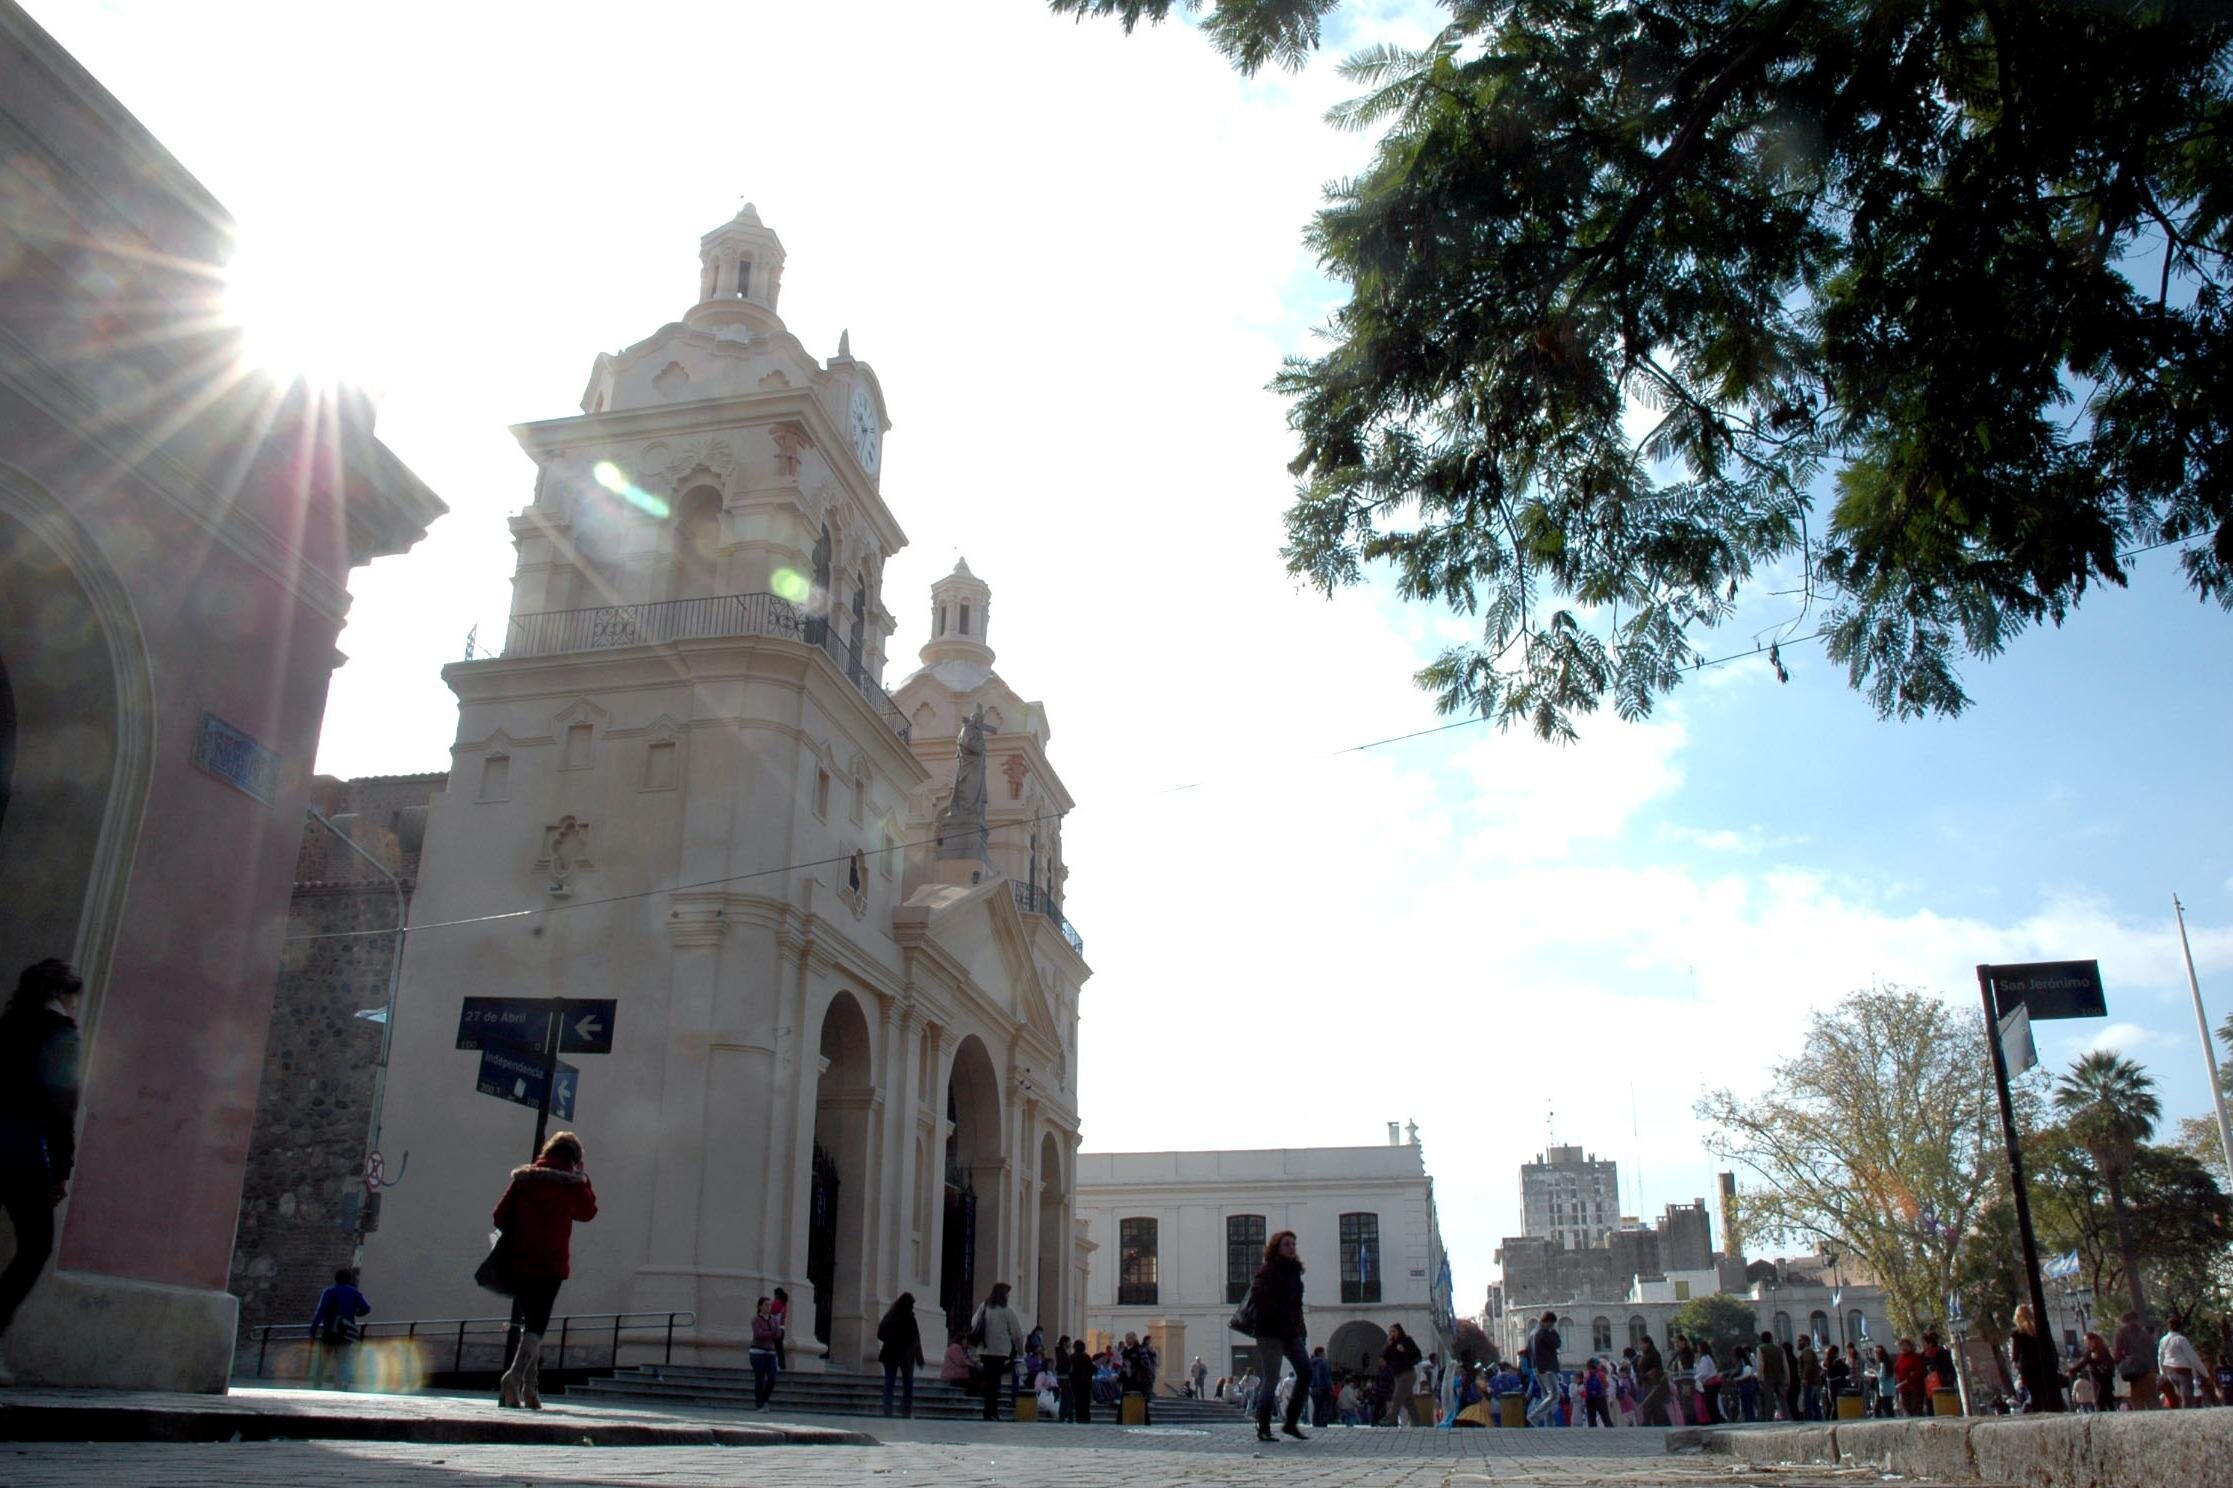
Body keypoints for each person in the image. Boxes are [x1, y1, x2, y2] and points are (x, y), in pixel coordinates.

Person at [0, 960, 82, 1349]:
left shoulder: (6, 1026)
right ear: (61, 993)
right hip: (22, 1154)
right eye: (73, 997)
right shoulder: (59, 1033)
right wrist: (62, 1167)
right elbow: (61, 1106)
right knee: (36, 1247)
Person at [491, 1130, 597, 1410]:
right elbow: (587, 1212)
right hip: (551, 1261)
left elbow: (499, 1216)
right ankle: (513, 1378)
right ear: (574, 1158)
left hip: (520, 1259)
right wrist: (583, 1179)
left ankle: (531, 1390)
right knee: (537, 1325)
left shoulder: (524, 1179)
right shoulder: (571, 1184)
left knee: (530, 1322)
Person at [1243, 1227, 1310, 1442]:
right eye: (1287, 1244)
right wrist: (1279, 1313)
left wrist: (1299, 1327)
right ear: (1277, 1248)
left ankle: (1290, 1422)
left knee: (1306, 1372)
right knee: (1271, 1378)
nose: (1291, 1248)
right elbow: (1258, 1295)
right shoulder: (1268, 1270)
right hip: (1270, 1332)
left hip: (1290, 1331)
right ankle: (1263, 1426)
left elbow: (1297, 1305)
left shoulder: (1294, 1271)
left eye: (1293, 1244)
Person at [308, 1266, 371, 1390]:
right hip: (346, 1331)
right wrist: (355, 1313)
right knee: (343, 1360)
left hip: (330, 1330)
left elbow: (321, 1311)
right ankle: (340, 1386)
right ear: (349, 1279)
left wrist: (313, 1328)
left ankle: (317, 1385)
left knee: (323, 1360)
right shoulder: (354, 1293)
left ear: (336, 1278)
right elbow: (366, 1308)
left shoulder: (330, 1291)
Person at [972, 1282, 1026, 1420]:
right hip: (1000, 1351)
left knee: (988, 1379)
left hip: (985, 1349)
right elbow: (1017, 1332)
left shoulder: (984, 1306)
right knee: (996, 1381)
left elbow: (974, 1322)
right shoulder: (1007, 1311)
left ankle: (987, 1410)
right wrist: (1020, 1349)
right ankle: (993, 1411)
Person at [2008, 1304, 2064, 1413]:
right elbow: (2049, 1346)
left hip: (2027, 1366)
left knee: (2034, 1392)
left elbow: (2016, 1353)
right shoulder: (2040, 1329)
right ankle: (2047, 1410)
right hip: (2042, 1364)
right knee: (2043, 1390)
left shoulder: (2017, 1333)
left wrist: (2015, 1363)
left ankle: (2038, 1411)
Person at [875, 1292, 924, 1418]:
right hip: (905, 1356)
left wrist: (891, 1341)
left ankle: (888, 1411)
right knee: (907, 1385)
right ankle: (906, 1411)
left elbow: (880, 1333)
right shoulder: (910, 1318)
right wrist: (919, 1358)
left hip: (890, 1353)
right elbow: (916, 1340)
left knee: (889, 1383)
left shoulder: (890, 1316)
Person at [1381, 1321, 1426, 1425]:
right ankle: (1417, 1423)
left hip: (1407, 1374)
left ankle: (1390, 1419)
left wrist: (1404, 1351)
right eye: (1390, 1332)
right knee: (1409, 1402)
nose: (1392, 1334)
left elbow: (1417, 1355)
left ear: (1399, 1331)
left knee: (1397, 1397)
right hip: (1397, 1376)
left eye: (1394, 1331)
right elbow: (1384, 1358)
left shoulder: (1407, 1341)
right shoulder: (1391, 1344)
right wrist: (1387, 1345)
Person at [2157, 1314, 2207, 1407]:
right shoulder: (2181, 1340)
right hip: (2183, 1373)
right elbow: (2193, 1357)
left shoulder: (2163, 1340)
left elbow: (2160, 1357)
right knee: (2187, 1399)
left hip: (2169, 1372)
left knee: (2174, 1399)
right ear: (2179, 1327)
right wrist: (2205, 1373)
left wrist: (2162, 1373)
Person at [2112, 1310, 2157, 1410]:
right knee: (2153, 1403)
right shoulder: (2145, 1333)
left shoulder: (2121, 1333)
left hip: (2132, 1374)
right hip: (2148, 1372)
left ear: (2123, 1321)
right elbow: (2154, 1351)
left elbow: (2117, 1354)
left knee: (2138, 1405)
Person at [749, 1296, 782, 1408]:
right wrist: (772, 1332)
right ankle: (760, 1404)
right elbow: (759, 1334)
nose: (768, 1307)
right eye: (766, 1305)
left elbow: (778, 1334)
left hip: (770, 1353)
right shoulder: (756, 1320)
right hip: (757, 1353)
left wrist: (770, 1333)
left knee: (772, 1377)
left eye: (769, 1305)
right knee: (760, 1378)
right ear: (760, 1306)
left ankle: (765, 1399)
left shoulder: (774, 1320)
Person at [1636, 1336, 1671, 1426]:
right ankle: (1648, 1424)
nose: (1641, 1346)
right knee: (1651, 1406)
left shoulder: (1654, 1354)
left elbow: (1655, 1369)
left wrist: (1645, 1375)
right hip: (1647, 1383)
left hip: (1654, 1384)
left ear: (1648, 1343)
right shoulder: (1644, 1355)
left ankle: (1660, 1424)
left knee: (1656, 1406)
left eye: (1642, 1343)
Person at [1755, 1331, 1789, 1422]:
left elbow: (1760, 1364)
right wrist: (1787, 1379)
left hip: (1768, 1377)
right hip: (1780, 1376)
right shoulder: (1780, 1349)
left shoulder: (1760, 1348)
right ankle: (1787, 1417)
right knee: (1782, 1399)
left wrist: (1759, 1378)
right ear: (1771, 1338)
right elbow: (1785, 1365)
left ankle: (1769, 1419)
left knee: (1769, 1399)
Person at [1893, 1337, 1927, 1416]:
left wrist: (1909, 1378)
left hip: (1915, 1388)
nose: (1904, 1347)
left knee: (1916, 1410)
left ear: (1910, 1346)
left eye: (1906, 1345)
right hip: (1903, 1389)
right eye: (1902, 1346)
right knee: (1908, 1410)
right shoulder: (1900, 1357)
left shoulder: (1915, 1357)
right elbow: (1896, 1369)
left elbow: (1919, 1371)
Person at [1068, 1337, 1096, 1423]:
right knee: (1085, 1404)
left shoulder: (1071, 1357)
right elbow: (1092, 1370)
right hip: (1086, 1384)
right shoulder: (1087, 1357)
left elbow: (1070, 1371)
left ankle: (1079, 1419)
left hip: (1075, 1384)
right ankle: (1086, 1419)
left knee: (1077, 1403)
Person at [1308, 1344, 1336, 1427]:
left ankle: (1315, 1423)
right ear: (1320, 1353)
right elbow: (1326, 1376)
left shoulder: (1310, 1363)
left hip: (1313, 1388)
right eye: (1324, 1353)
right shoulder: (1324, 1362)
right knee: (1325, 1406)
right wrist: (1331, 1386)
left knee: (1317, 1407)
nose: (1325, 1354)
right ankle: (1323, 1423)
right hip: (1324, 1388)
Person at [1871, 1344, 1898, 1419]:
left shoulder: (1883, 1364)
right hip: (1890, 1390)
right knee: (1889, 1408)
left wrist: (1874, 1372)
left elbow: (1881, 1377)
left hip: (1884, 1390)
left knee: (1887, 1409)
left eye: (1875, 1353)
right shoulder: (1889, 1363)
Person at [769, 1286, 791, 1372]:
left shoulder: (775, 1303)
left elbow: (771, 1316)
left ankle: (774, 1364)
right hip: (782, 1329)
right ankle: (782, 1365)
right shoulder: (784, 1304)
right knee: (780, 1349)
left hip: (775, 1329)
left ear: (777, 1295)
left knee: (772, 1347)